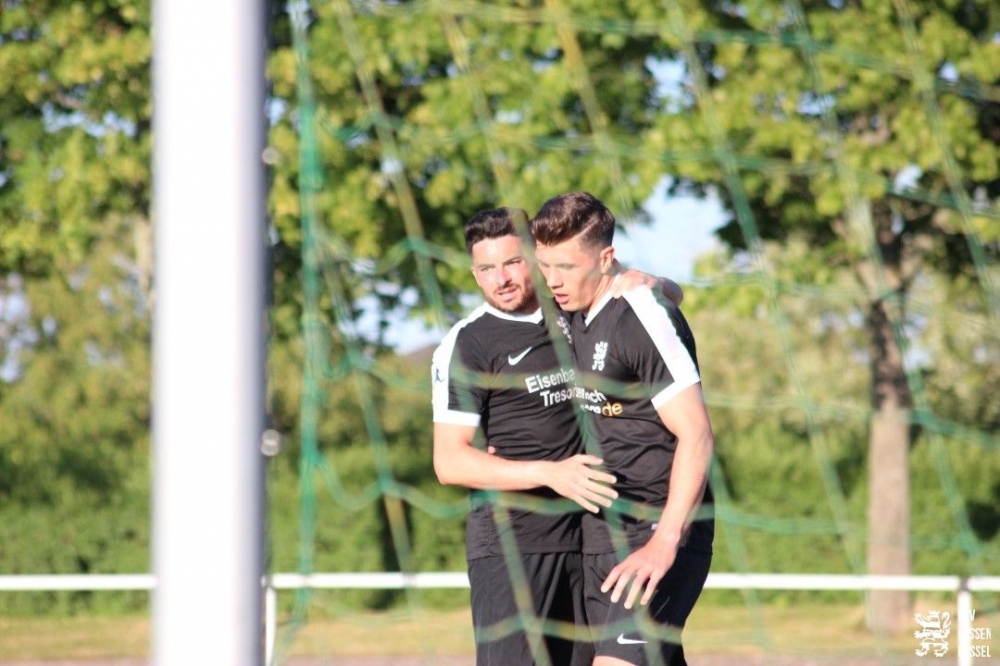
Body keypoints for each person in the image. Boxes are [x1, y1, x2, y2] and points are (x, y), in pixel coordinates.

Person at [431, 207, 683, 666]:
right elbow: (449, 462)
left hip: (589, 541)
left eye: (513, 262)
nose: (501, 279)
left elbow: (663, 297)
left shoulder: (573, 307)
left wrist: (653, 282)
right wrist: (550, 473)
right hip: (512, 546)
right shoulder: (467, 344)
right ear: (474, 274)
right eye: (486, 269)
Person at [530, 191, 715, 666]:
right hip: (600, 534)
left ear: (605, 257)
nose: (553, 280)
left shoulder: (642, 315)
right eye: (545, 266)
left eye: (566, 267)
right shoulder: (570, 310)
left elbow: (697, 435)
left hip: (659, 529)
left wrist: (664, 542)